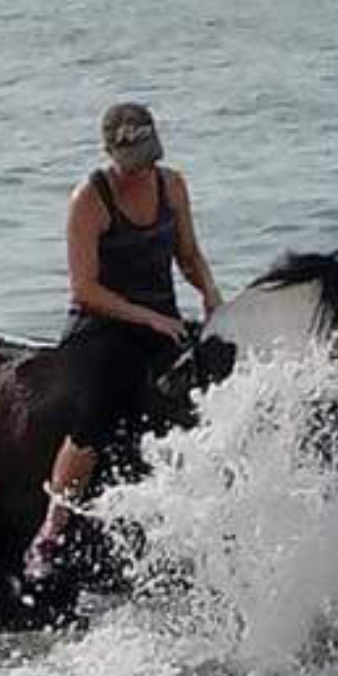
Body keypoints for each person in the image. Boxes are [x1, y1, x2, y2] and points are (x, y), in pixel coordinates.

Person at [24, 102, 223, 578]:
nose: (143, 170)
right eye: (134, 161)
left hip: (163, 321)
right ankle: (52, 529)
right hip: (101, 326)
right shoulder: (89, 199)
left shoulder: (172, 185)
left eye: (149, 157)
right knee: (98, 407)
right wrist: (147, 319)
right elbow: (84, 288)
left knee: (212, 385)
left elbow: (188, 255)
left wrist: (212, 295)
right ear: (111, 152)